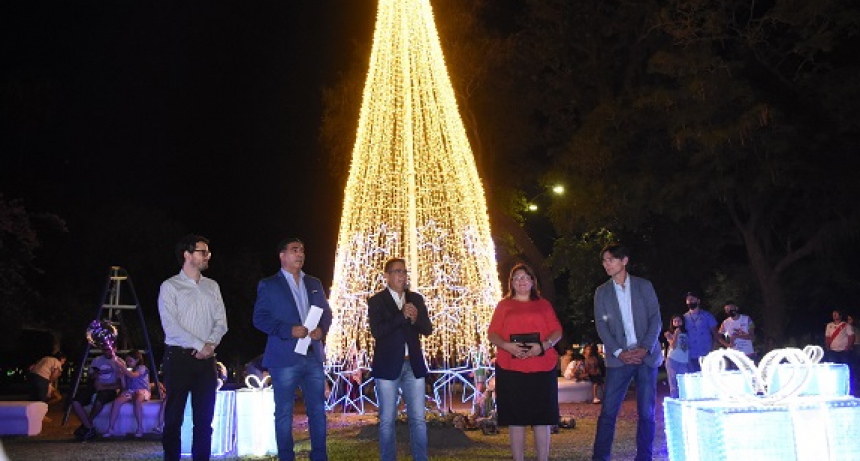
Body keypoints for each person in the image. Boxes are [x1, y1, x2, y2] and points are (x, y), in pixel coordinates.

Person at [253, 237, 332, 461]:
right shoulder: (269, 285)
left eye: (302, 250)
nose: (300, 254)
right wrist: (289, 330)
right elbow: (259, 319)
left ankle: (320, 456)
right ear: (282, 255)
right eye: (294, 250)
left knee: (317, 412)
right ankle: (286, 457)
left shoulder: (314, 283)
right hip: (284, 358)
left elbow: (326, 313)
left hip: (313, 356)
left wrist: (321, 329)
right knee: (284, 414)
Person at [158, 234, 229, 461]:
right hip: (179, 359)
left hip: (207, 360)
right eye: (202, 251)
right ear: (187, 255)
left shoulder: (212, 286)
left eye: (207, 251)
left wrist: (210, 345)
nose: (208, 255)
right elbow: (171, 326)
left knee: (204, 420)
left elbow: (222, 321)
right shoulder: (170, 286)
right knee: (173, 419)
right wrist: (200, 344)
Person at [592, 243, 662, 461]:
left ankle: (644, 457)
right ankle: (600, 457)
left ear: (624, 260)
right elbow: (602, 327)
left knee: (647, 413)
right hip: (618, 360)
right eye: (604, 261)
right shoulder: (602, 292)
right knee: (608, 413)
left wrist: (644, 348)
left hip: (646, 357)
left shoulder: (644, 286)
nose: (606, 264)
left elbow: (655, 319)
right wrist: (619, 351)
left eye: (610, 259)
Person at [488, 262, 562, 461]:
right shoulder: (504, 305)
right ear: (511, 282)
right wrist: (506, 345)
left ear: (532, 281)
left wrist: (543, 345)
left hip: (542, 368)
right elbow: (492, 334)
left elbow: (557, 331)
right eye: (517, 277)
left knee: (542, 419)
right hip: (511, 369)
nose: (521, 281)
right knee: (516, 419)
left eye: (525, 277)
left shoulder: (543, 305)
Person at [368, 257, 434, 461]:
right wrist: (401, 316)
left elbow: (428, 329)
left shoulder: (416, 298)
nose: (402, 276)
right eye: (397, 272)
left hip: (413, 365)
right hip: (387, 366)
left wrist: (415, 319)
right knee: (387, 419)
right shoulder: (377, 301)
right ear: (386, 276)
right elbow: (378, 331)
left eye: (404, 272)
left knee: (418, 419)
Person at [70, 347, 123, 441]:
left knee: (99, 401)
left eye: (109, 349)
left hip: (110, 389)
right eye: (105, 349)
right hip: (95, 387)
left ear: (115, 349)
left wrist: (104, 387)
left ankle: (87, 425)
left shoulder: (120, 362)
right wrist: (94, 375)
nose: (107, 352)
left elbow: (120, 384)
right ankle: (89, 427)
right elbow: (91, 377)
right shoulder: (97, 360)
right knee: (75, 401)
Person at [104, 350, 150, 438]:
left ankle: (140, 427)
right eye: (127, 361)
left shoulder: (142, 367)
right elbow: (125, 386)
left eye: (130, 361)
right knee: (117, 401)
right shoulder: (128, 370)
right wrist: (122, 377)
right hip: (130, 390)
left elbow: (133, 375)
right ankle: (111, 428)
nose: (128, 363)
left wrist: (122, 367)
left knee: (137, 400)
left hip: (142, 390)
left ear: (137, 360)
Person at [682, 291, 718, 373]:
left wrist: (714, 348)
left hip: (706, 353)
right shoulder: (683, 318)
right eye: (688, 300)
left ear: (698, 301)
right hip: (690, 355)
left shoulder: (707, 315)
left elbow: (715, 333)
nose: (690, 301)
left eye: (692, 299)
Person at [663, 315, 689, 399]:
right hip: (673, 360)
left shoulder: (686, 332)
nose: (677, 323)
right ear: (672, 323)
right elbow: (673, 346)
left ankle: (683, 401)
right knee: (673, 383)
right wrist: (676, 334)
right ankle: (675, 402)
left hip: (684, 361)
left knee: (683, 383)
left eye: (679, 321)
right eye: (675, 321)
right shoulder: (669, 333)